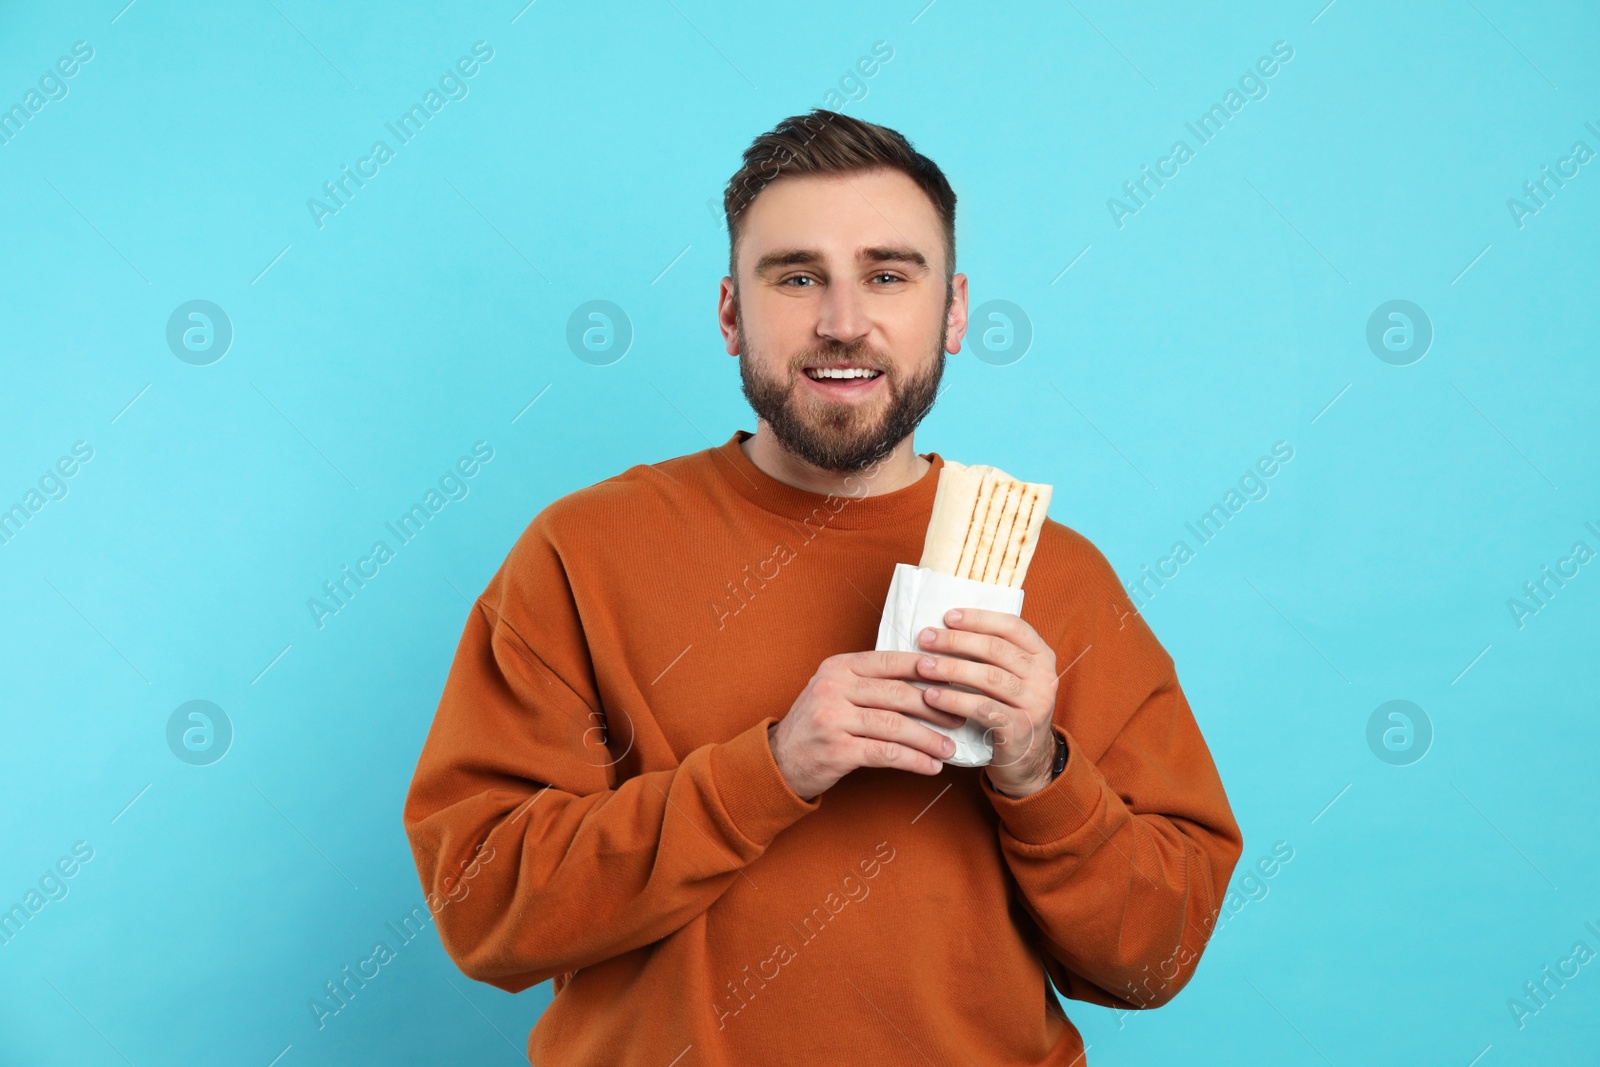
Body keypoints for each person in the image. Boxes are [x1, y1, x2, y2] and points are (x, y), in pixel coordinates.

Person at [402, 108, 1243, 1065]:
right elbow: (481, 910)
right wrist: (772, 769)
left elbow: (1155, 960)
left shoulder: (1064, 578)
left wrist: (1037, 774)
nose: (844, 323)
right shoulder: (582, 553)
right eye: (797, 277)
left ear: (955, 311)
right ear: (730, 313)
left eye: (888, 274)